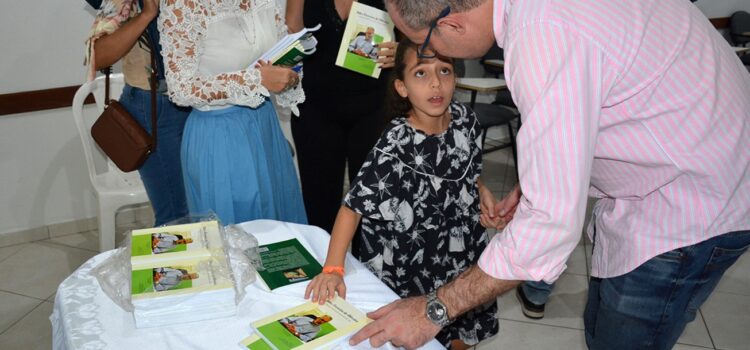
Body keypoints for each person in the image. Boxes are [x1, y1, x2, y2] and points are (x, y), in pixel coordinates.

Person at [348, 1, 750, 349]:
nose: (433, 64)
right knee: (602, 325)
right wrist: (537, 180)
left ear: (452, 23)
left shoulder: (542, 34)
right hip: (696, 161)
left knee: (622, 336)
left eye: (429, 45)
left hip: (691, 204)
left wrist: (434, 310)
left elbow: (550, 226)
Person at [305, 40, 500, 350]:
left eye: (444, 70)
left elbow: (468, 169)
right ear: (402, 87)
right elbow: (352, 207)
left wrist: (481, 190)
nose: (436, 82)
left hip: (460, 257)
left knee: (461, 334)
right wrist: (332, 269)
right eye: (421, 73)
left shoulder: (466, 120)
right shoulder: (395, 143)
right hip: (412, 266)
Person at [158, 0, 307, 225]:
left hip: (264, 125)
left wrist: (289, 76)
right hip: (219, 134)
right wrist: (256, 79)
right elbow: (181, 89)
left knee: (278, 228)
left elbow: (278, 54)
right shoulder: (183, 6)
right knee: (237, 235)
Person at [285, 1, 396, 256]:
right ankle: (323, 279)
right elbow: (291, 35)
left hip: (374, 110)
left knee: (371, 206)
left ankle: (371, 283)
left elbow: (419, 33)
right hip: (315, 110)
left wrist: (400, 51)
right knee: (319, 206)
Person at [84, 0, 191, 226]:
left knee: (198, 206)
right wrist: (147, 15)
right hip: (157, 108)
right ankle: (172, 261)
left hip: (200, 104)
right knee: (175, 215)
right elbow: (98, 56)